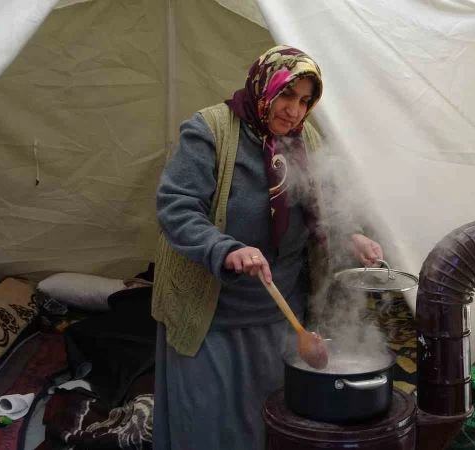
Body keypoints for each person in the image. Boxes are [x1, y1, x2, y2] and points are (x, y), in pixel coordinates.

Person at [151, 45, 383, 450]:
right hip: (212, 313)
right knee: (209, 423)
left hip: (280, 309)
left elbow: (325, 202)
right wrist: (224, 248)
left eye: (306, 100)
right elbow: (176, 207)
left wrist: (352, 234)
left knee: (267, 417)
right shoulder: (210, 131)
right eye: (287, 95)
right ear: (264, 85)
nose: (295, 110)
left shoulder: (305, 138)